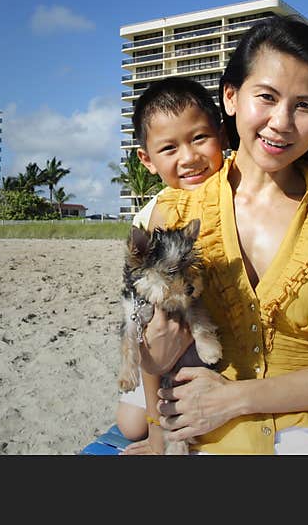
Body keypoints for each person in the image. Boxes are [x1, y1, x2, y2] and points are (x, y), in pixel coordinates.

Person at [133, 15, 308, 454]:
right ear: (231, 97)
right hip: (204, 433)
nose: (281, 122)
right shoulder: (173, 213)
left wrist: (234, 398)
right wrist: (154, 431)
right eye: (266, 97)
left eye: (304, 106)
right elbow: (153, 342)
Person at [114, 76, 225, 448]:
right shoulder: (151, 219)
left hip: (198, 339)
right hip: (158, 346)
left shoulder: (231, 193)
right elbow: (147, 324)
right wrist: (154, 427)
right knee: (132, 424)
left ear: (221, 136)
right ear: (146, 159)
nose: (189, 157)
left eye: (199, 138)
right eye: (169, 148)